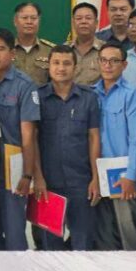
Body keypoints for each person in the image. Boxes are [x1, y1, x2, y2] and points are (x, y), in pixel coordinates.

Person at [0, 29, 41, 251]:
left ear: (12, 54)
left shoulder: (24, 85)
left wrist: (28, 174)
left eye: (1, 49)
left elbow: (28, 135)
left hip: (13, 171)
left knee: (14, 233)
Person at [37, 45, 102, 250]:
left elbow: (94, 137)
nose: (61, 68)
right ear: (49, 66)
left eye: (66, 63)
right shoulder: (37, 97)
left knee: (83, 243)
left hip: (81, 182)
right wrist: (37, 177)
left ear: (75, 67)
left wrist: (96, 177)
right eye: (56, 63)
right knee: (50, 246)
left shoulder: (88, 98)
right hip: (48, 183)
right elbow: (32, 140)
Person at [92, 41, 136, 250]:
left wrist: (131, 175)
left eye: (114, 61)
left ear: (124, 65)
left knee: (128, 230)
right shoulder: (90, 93)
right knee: (103, 233)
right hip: (96, 173)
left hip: (121, 175)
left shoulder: (132, 94)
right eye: (104, 60)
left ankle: (134, 270)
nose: (108, 65)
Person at [12, 2, 55, 86]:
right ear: (15, 21)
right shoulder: (6, 50)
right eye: (24, 18)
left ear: (39, 21)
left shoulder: (50, 51)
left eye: (33, 18)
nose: (29, 22)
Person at [66, 2, 106, 86]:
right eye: (79, 18)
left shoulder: (106, 50)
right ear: (73, 23)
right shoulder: (64, 50)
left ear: (96, 23)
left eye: (88, 18)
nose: (83, 22)